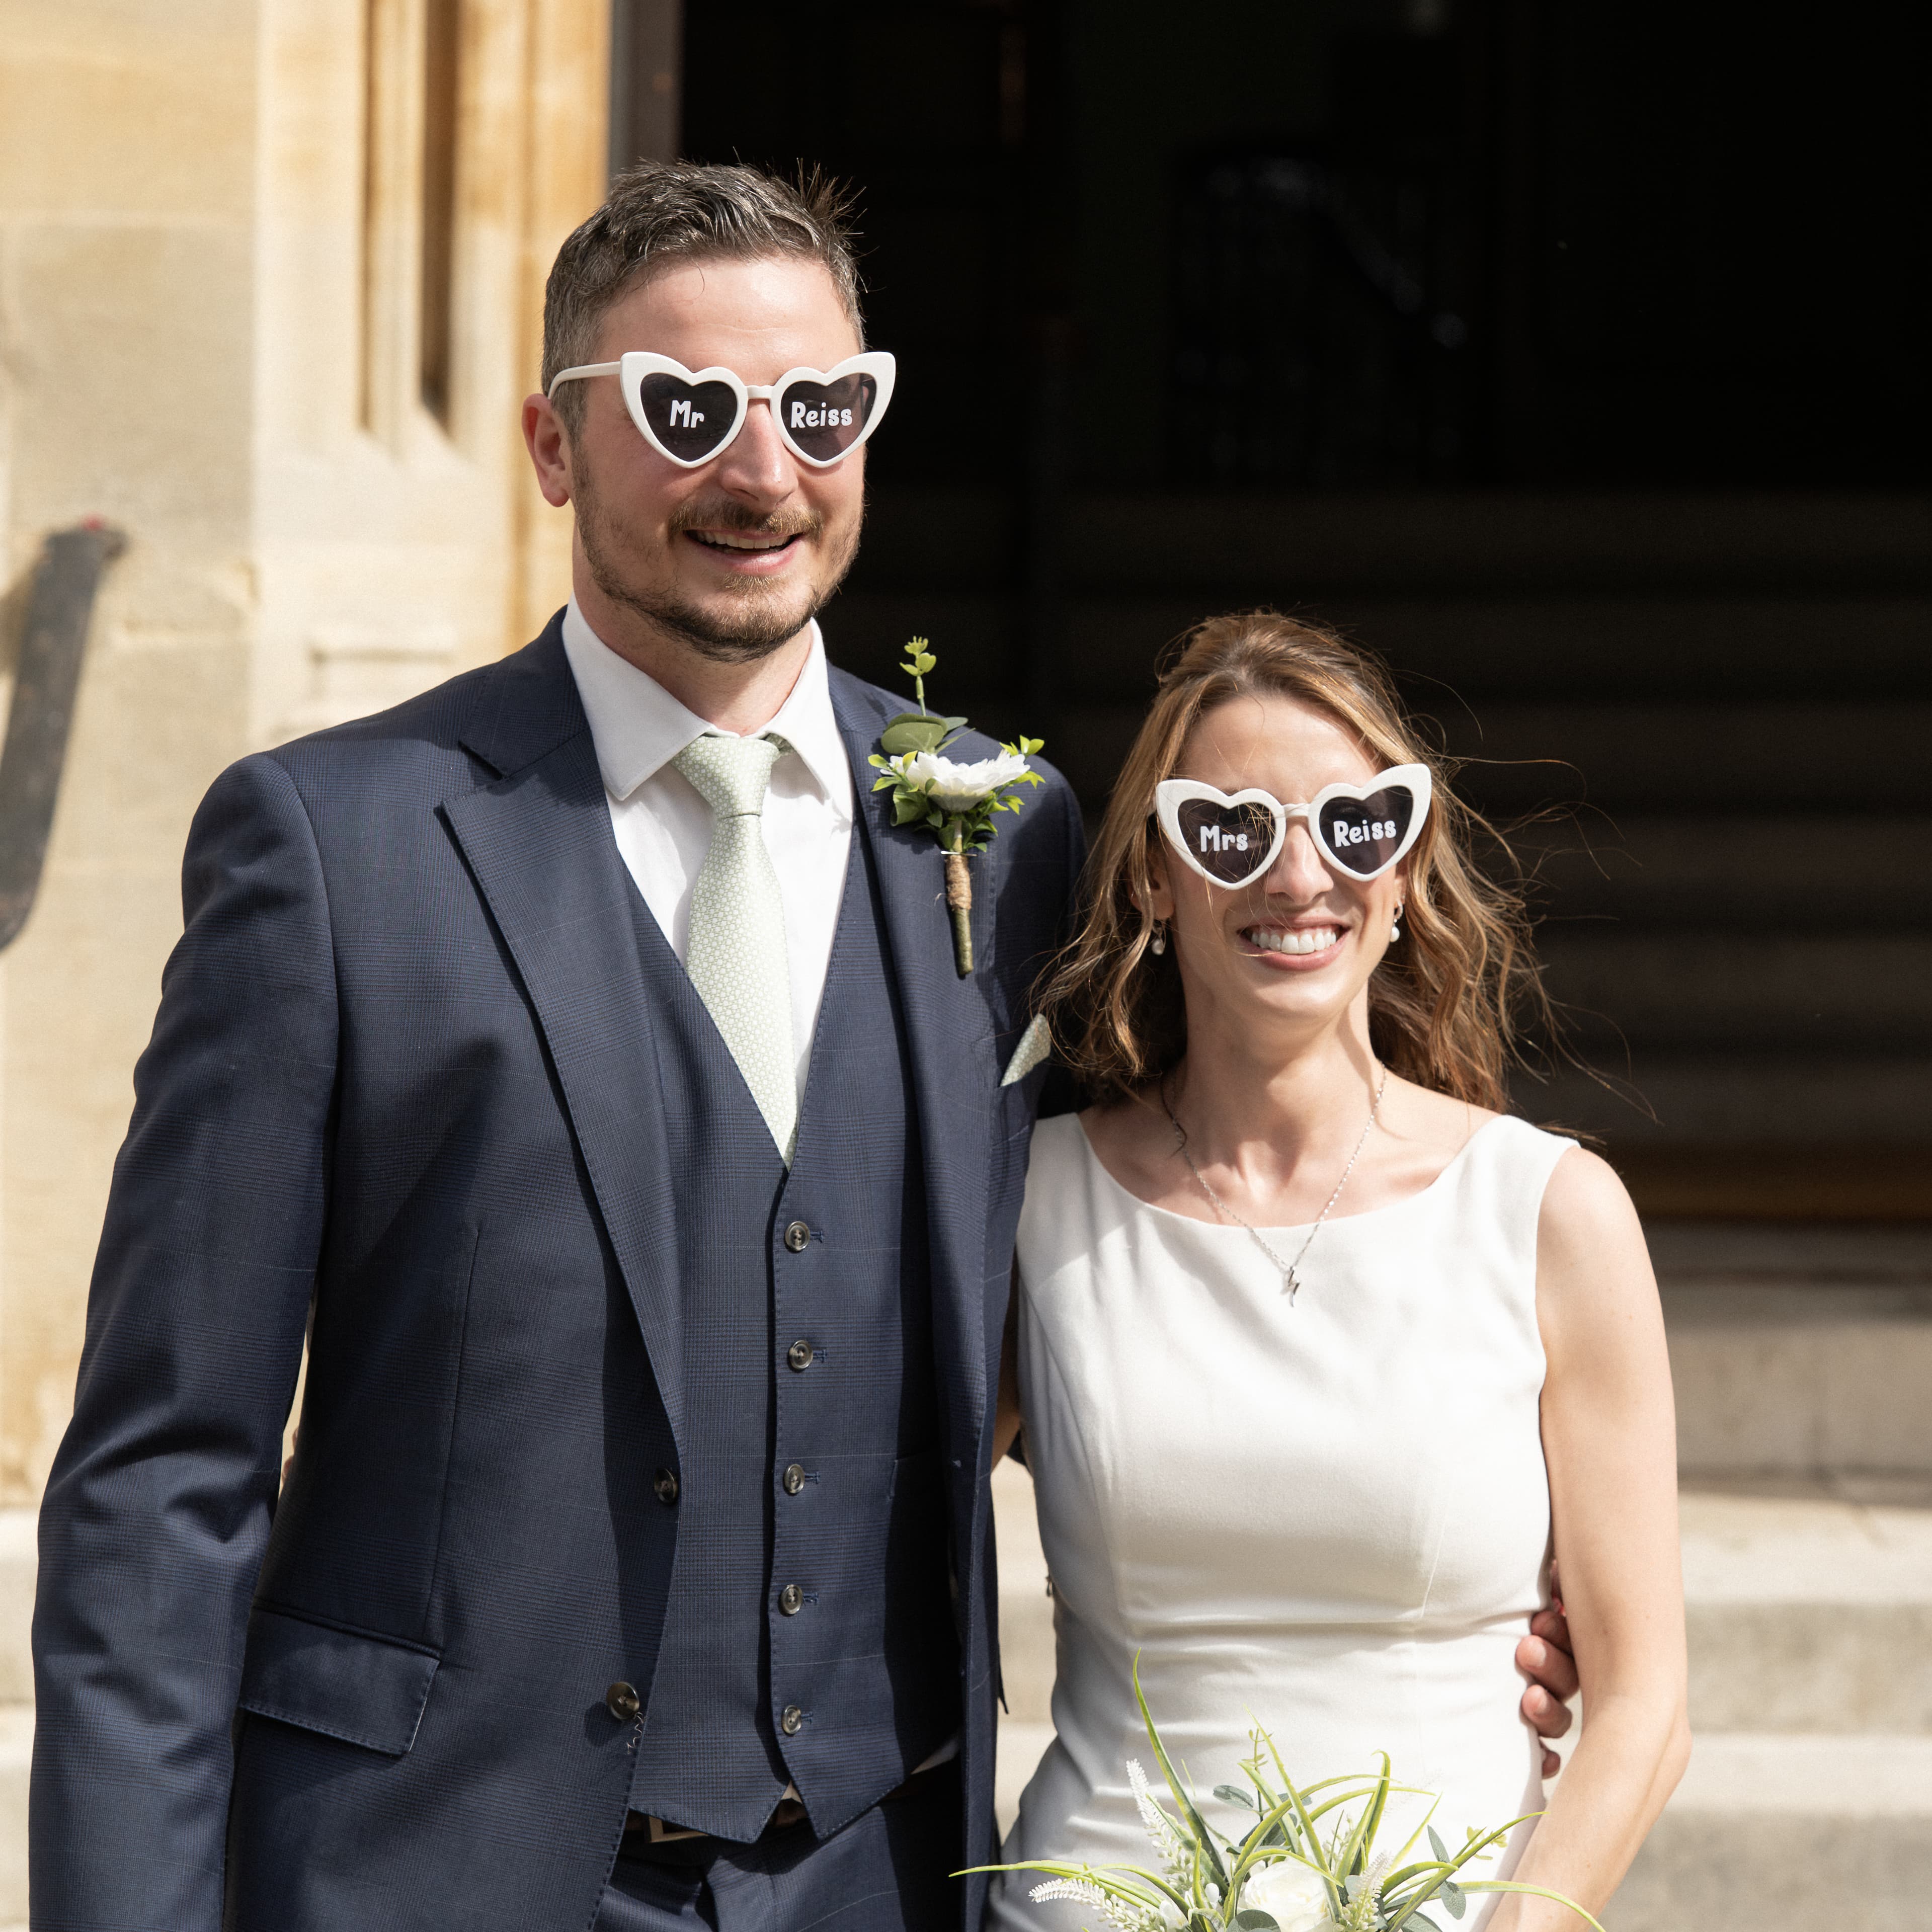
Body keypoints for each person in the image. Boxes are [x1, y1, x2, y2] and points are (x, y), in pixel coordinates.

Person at [28, 162, 1577, 1932]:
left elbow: (1171, 1249)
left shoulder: (1007, 837)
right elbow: (165, 1482)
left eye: (819, 407)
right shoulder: (333, 845)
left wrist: (1446, 1582)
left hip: (886, 1879)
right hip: (426, 1874)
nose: (762, 472)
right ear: (552, 443)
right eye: (688, 411)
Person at [990, 612, 1689, 1932]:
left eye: (1354, 824)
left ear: (1410, 859)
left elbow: (1646, 1708)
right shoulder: (1037, 1206)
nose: (1298, 877)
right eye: (1232, 831)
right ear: (1154, 873)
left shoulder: (1553, 1213)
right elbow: (848, 1532)